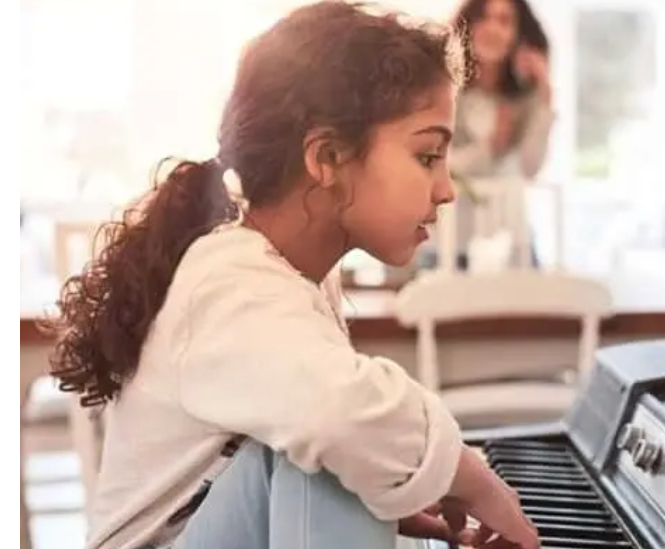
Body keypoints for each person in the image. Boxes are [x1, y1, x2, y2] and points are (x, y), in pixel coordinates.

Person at [47, 3, 539, 549]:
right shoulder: (228, 280)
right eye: (427, 155)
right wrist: (469, 475)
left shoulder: (286, 272)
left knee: (338, 450)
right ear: (326, 156)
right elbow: (337, 415)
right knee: (327, 448)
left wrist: (385, 498)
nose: (447, 188)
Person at [437, 0, 553, 269]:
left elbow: (531, 167)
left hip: (513, 240)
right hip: (451, 241)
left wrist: (545, 94)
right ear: (468, 24)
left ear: (519, 33)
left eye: (504, 20)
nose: (492, 29)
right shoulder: (444, 90)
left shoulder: (526, 97)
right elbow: (442, 165)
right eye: (483, 18)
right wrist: (490, 148)